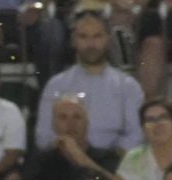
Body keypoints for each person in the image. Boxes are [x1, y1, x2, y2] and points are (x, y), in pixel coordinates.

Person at [36, 11, 144, 155]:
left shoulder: (128, 86)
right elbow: (43, 136)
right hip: (65, 158)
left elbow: (136, 134)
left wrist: (111, 157)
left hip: (112, 161)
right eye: (83, 37)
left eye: (97, 36)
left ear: (108, 40)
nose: (91, 44)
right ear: (73, 41)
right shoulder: (56, 85)